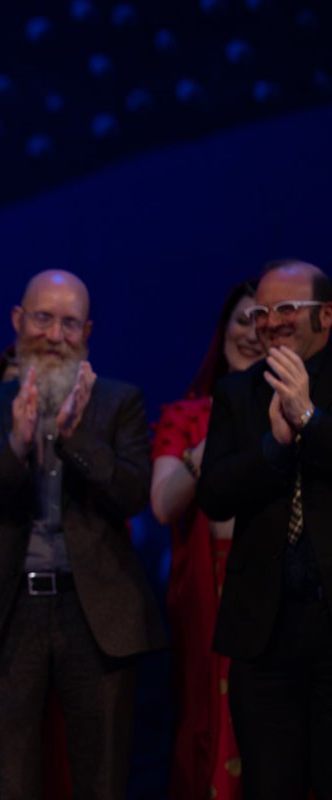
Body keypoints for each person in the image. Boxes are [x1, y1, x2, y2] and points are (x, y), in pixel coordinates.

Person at [0, 270, 166, 800]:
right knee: (13, 781)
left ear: (87, 331)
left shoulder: (118, 401)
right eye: (43, 319)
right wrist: (19, 448)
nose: (55, 334)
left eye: (69, 323)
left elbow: (133, 495)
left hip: (96, 613)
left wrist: (74, 439)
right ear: (18, 321)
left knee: (102, 780)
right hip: (8, 612)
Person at [198, 259, 332, 800]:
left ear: (326, 315)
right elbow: (214, 495)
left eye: (287, 309)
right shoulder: (238, 392)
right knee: (269, 783)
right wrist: (274, 447)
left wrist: (308, 419)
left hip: (329, 618)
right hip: (264, 631)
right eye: (262, 312)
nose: (272, 321)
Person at [150, 281, 262, 800]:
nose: (253, 333)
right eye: (243, 320)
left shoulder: (297, 413)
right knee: (208, 721)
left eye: (266, 321)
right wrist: (223, 424)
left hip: (281, 585)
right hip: (208, 590)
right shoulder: (188, 415)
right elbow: (163, 503)